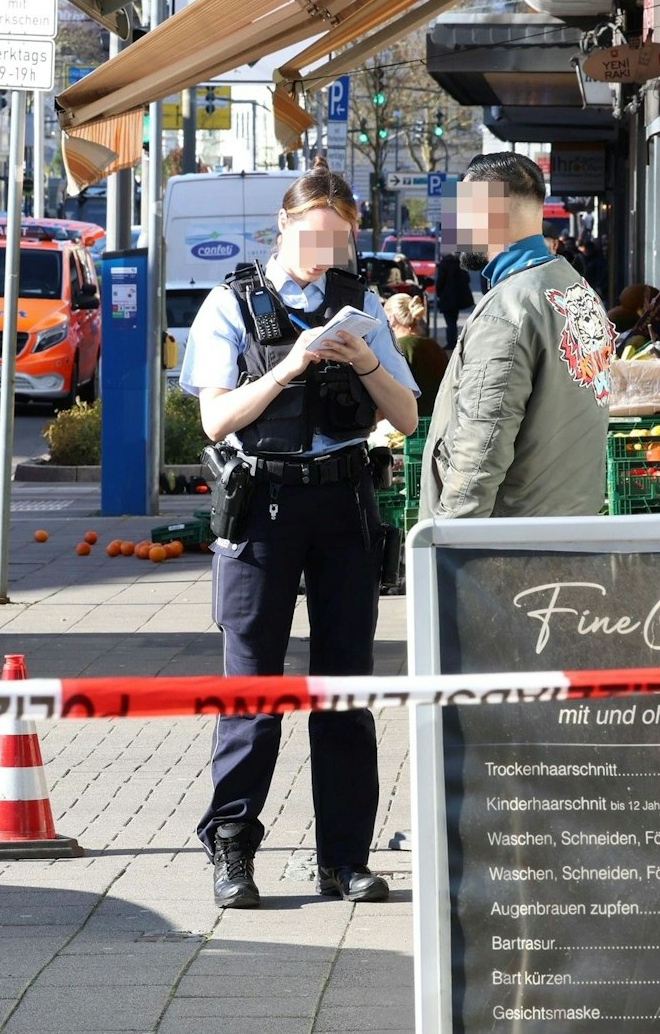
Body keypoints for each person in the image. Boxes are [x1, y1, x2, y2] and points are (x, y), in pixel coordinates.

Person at [178, 156, 420, 911]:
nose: (325, 253)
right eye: (314, 236)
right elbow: (215, 420)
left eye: (338, 240)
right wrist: (285, 369)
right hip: (264, 505)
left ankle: (343, 859)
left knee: (343, 689)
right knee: (252, 686)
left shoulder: (360, 303)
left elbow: (406, 417)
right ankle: (231, 850)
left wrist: (367, 359)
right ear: (283, 226)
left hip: (344, 503)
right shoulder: (231, 303)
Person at [422, 152, 610, 519]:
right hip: (566, 525)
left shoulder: (506, 312)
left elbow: (480, 452)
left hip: (507, 547)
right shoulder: (576, 288)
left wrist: (445, 545)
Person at [384, 293, 446, 418]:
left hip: (411, 421)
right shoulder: (433, 345)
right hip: (440, 419)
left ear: (392, 318)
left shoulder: (397, 348)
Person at [432, 251, 473, 349]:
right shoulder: (460, 264)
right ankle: (453, 341)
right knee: (453, 321)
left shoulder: (444, 264)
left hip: (447, 297)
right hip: (459, 297)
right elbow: (467, 279)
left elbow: (440, 281)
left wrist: (438, 292)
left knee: (450, 322)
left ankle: (451, 342)